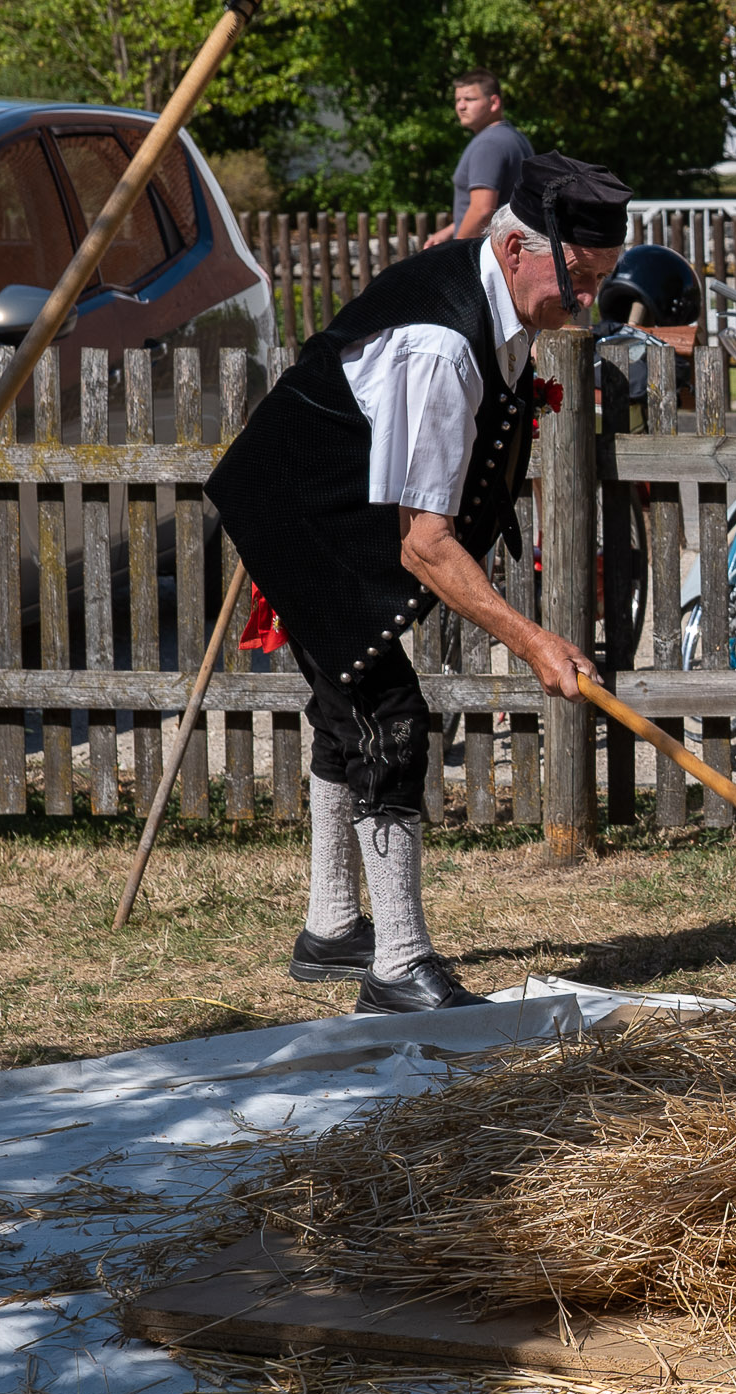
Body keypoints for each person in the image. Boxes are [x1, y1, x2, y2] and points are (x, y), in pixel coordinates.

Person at [209, 178, 623, 1011]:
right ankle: (397, 965)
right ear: (514, 249)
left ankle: (331, 927)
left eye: (602, 278)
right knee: (388, 713)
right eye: (578, 276)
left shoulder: (500, 307)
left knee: (346, 705)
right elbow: (424, 543)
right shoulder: (440, 343)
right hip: (301, 510)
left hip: (335, 501)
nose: (589, 298)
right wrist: (535, 641)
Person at [445, 72, 534, 249]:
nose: (461, 106)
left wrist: (453, 253)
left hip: (486, 254)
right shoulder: (515, 138)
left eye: (469, 99)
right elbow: (503, 206)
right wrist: (449, 231)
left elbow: (482, 210)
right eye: (458, 100)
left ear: (494, 102)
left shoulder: (488, 144)